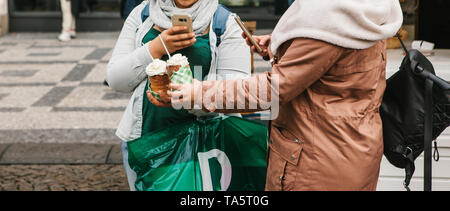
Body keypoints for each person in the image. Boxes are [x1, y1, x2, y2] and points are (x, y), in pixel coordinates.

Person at [168, 0, 403, 191]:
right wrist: (287, 46)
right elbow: (337, 62)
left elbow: (272, 90)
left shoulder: (328, 17)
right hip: (354, 148)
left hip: (317, 162)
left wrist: (197, 93)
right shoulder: (364, 8)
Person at [106, 0, 251, 190]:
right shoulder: (142, 14)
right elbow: (116, 80)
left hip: (206, 144)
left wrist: (189, 98)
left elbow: (236, 94)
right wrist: (156, 48)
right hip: (146, 141)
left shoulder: (225, 22)